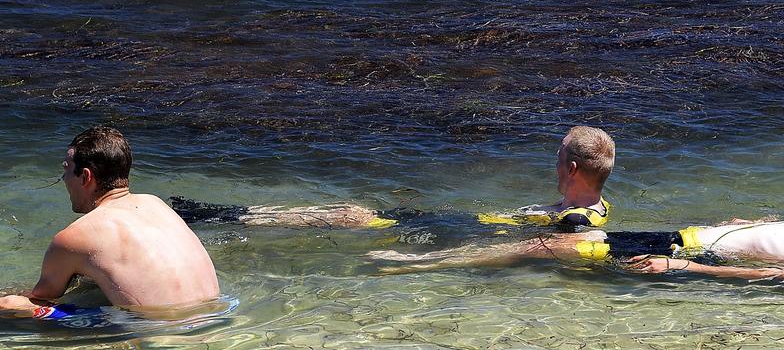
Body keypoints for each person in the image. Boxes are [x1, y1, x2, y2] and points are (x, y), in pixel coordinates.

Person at [171, 125, 616, 231]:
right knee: (350, 214)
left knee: (349, 215)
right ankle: (229, 215)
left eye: (557, 156)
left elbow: (527, 247)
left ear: (571, 169)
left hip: (459, 230)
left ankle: (227, 217)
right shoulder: (591, 207)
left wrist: (423, 261)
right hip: (460, 222)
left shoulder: (577, 223)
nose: (552, 163)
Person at [0, 126, 221, 322]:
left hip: (158, 332)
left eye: (66, 170)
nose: (64, 179)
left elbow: (43, 297)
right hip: (218, 316)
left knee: (5, 304)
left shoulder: (74, 237)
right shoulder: (156, 204)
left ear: (85, 177)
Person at [369, 217, 784, 279]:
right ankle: (434, 258)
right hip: (689, 234)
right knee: (549, 243)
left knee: (544, 247)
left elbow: (768, 276)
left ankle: (422, 263)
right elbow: (773, 234)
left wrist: (684, 264)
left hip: (683, 248)